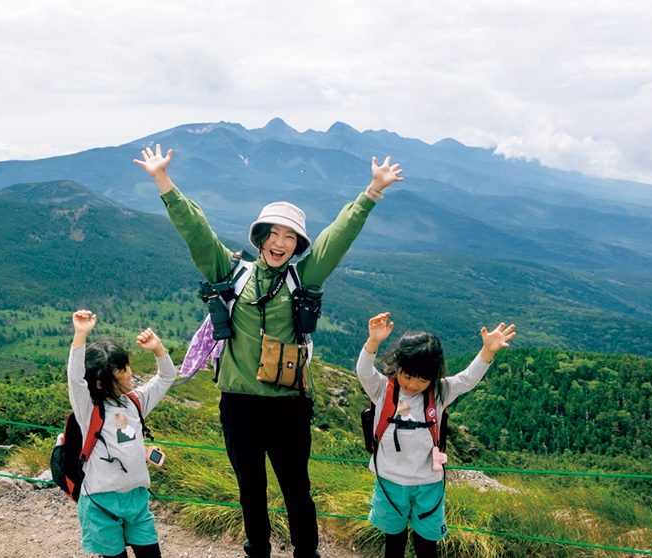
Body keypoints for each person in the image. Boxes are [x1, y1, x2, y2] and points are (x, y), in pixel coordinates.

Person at [133, 144, 404, 558]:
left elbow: (336, 238)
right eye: (273, 233)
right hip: (238, 404)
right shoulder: (233, 272)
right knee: (250, 489)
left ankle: (305, 553)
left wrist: (371, 192)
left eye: (289, 236)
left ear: (297, 245)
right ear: (260, 237)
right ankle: (257, 549)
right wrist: (163, 182)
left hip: (288, 406)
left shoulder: (303, 276)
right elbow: (198, 234)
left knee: (297, 488)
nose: (280, 242)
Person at [357, 311, 516, 558]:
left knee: (427, 544)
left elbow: (467, 379)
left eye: (422, 380)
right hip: (389, 481)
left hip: (427, 485)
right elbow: (363, 370)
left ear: (434, 376)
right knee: (394, 543)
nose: (411, 385)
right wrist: (373, 342)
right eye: (407, 376)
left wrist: (487, 352)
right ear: (397, 365)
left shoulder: (439, 393)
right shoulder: (382, 390)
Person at [68, 309, 176, 558]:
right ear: (100, 381)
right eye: (122, 370)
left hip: (136, 500)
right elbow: (75, 380)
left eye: (127, 367)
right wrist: (80, 335)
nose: (130, 374)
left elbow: (167, 376)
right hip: (100, 503)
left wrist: (158, 348)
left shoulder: (134, 402)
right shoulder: (89, 410)